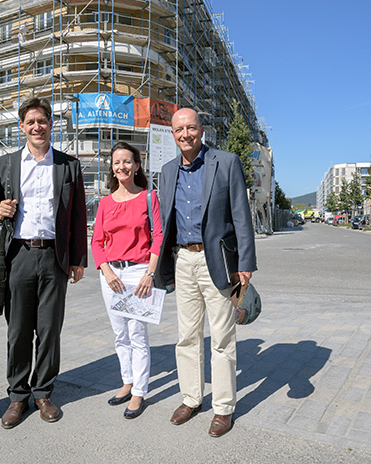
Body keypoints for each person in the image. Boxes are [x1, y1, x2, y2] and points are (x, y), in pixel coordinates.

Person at [154, 107, 257, 438]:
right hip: (183, 260)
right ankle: (191, 398)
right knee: (187, 335)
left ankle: (224, 407)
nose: (186, 134)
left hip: (219, 261)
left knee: (223, 337)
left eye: (191, 128)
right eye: (179, 130)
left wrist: (246, 263)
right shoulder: (167, 171)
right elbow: (163, 221)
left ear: (202, 129)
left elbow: (241, 215)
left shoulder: (225, 162)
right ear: (173, 134)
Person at [0, 96, 87, 429]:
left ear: (50, 125)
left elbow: (77, 216)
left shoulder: (68, 166)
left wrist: (77, 259)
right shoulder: (6, 164)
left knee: (49, 331)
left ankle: (43, 392)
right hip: (19, 256)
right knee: (17, 331)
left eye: (42, 121)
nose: (36, 127)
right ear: (21, 127)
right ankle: (17, 396)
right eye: (30, 122)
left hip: (55, 257)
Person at [91, 142, 163, 419]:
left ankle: (139, 392)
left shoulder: (148, 197)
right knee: (119, 334)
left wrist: (150, 273)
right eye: (117, 162)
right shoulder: (106, 202)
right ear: (112, 167)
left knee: (137, 335)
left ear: (136, 166)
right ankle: (127, 381)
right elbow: (97, 241)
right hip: (111, 274)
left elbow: (158, 237)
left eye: (127, 161)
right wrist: (106, 271)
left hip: (139, 273)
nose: (122, 166)